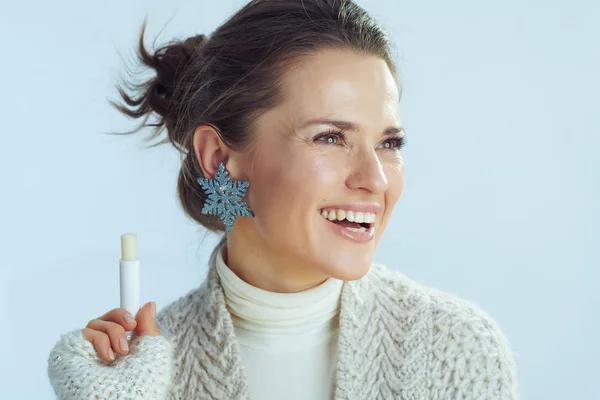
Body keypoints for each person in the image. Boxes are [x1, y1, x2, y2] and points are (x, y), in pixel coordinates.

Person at [47, 0, 519, 399]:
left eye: (389, 143)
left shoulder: (456, 348)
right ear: (219, 158)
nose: (375, 179)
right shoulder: (147, 379)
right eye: (331, 137)